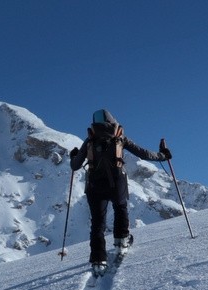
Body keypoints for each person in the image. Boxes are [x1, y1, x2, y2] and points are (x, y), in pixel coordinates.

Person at [69, 108, 172, 267]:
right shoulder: (119, 137)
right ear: (111, 120)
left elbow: (75, 166)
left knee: (98, 222)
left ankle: (98, 260)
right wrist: (162, 155)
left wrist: (73, 156)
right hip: (117, 182)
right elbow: (143, 153)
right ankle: (122, 241)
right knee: (120, 207)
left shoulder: (90, 140)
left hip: (94, 185)